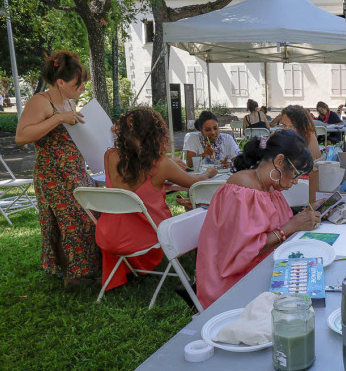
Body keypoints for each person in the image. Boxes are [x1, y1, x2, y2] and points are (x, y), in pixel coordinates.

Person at [195, 130, 322, 308]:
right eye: (295, 174)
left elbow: (277, 225)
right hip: (232, 284)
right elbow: (245, 251)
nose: (295, 182)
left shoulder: (268, 188)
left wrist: (306, 214)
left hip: (259, 268)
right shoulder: (242, 190)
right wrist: (292, 226)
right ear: (279, 161)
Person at [96, 108, 217, 291]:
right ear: (156, 134)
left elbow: (135, 169)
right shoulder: (161, 164)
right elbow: (193, 182)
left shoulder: (110, 156)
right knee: (200, 212)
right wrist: (208, 173)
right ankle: (205, 268)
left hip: (109, 234)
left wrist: (169, 163)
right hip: (147, 234)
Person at [15, 51, 101, 288]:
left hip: (75, 171)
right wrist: (59, 118)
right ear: (61, 82)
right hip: (52, 176)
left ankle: (86, 269)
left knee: (88, 217)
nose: (82, 88)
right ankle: (72, 276)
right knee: (65, 222)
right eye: (77, 84)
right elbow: (21, 136)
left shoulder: (69, 102)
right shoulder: (41, 102)